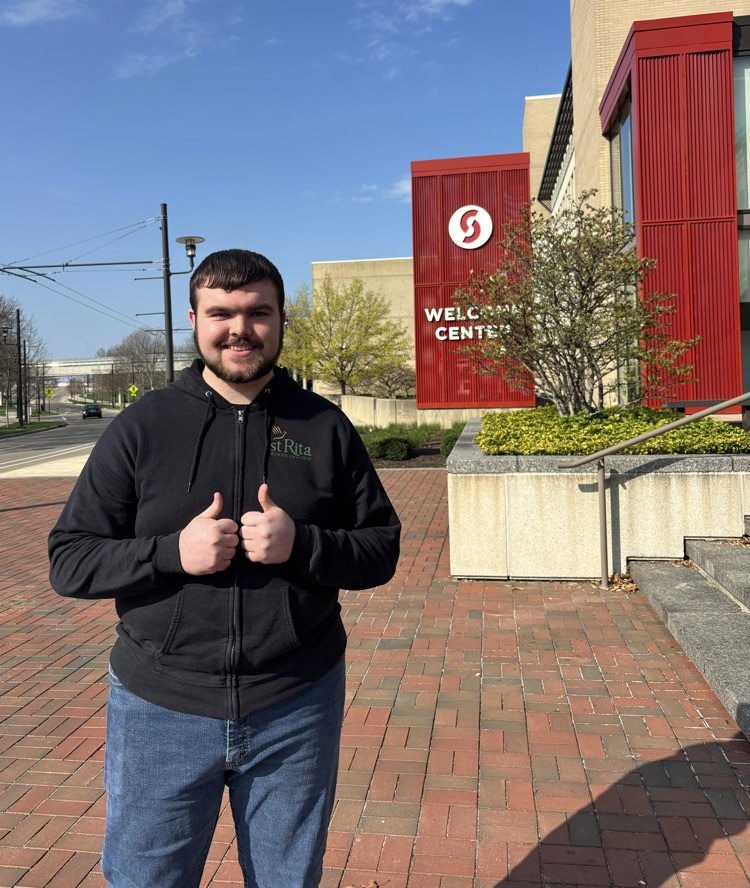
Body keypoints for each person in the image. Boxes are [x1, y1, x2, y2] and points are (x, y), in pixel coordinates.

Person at [48, 248, 401, 888]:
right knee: (146, 880)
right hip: (160, 704)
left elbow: (381, 548)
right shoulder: (142, 426)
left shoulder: (324, 426)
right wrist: (170, 554)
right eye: (222, 313)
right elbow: (69, 560)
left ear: (281, 319)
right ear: (194, 320)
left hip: (296, 701)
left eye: (258, 312)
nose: (240, 329)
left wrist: (303, 543)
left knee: (287, 880)